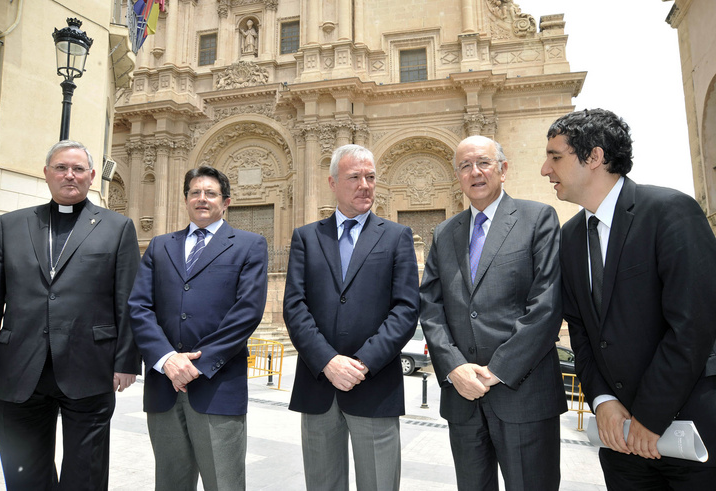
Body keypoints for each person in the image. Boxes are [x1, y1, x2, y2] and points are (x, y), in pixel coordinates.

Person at [541, 108, 716, 489]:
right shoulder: (569, 237)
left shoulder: (670, 211)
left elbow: (693, 326)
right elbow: (583, 332)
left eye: (555, 156)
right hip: (619, 444)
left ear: (594, 157)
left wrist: (649, 418)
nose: (545, 169)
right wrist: (602, 401)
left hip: (692, 436)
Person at [420, 135, 566, 491]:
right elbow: (431, 307)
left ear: (503, 169)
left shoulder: (538, 219)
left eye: (483, 162)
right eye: (465, 166)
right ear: (458, 176)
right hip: (463, 401)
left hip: (525, 398)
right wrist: (454, 367)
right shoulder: (444, 233)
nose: (475, 172)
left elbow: (546, 307)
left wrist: (496, 371)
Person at [0, 140, 141, 490]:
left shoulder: (117, 227)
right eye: (61, 168)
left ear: (93, 176)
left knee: (85, 474)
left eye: (78, 169)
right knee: (24, 473)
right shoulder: (9, 225)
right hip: (18, 368)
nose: (69, 175)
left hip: (90, 365)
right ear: (46, 173)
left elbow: (129, 299)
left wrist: (126, 361)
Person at [283, 144, 420, 491]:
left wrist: (362, 363)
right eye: (354, 177)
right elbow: (295, 307)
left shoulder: (396, 236)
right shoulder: (306, 238)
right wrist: (328, 361)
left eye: (371, 177)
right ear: (332, 182)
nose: (365, 185)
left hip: (374, 385)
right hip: (318, 387)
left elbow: (406, 309)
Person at [128, 166, 268, 491]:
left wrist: (195, 364)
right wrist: (166, 359)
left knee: (224, 483)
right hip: (163, 386)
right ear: (186, 199)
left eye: (210, 193)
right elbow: (139, 307)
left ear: (226, 201)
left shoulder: (249, 245)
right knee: (170, 483)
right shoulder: (160, 247)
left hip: (218, 387)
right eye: (195, 192)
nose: (202, 199)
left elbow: (246, 313)